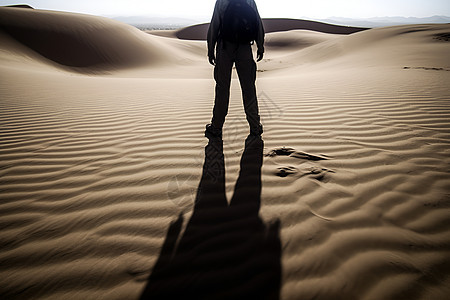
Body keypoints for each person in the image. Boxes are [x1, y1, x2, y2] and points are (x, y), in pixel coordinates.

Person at [205, 0, 265, 139]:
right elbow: (257, 23)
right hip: (244, 48)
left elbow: (215, 24)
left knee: (222, 88)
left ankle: (216, 127)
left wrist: (210, 49)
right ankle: (255, 127)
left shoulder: (222, 1)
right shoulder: (249, 1)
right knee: (249, 88)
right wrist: (260, 46)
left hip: (225, 48)